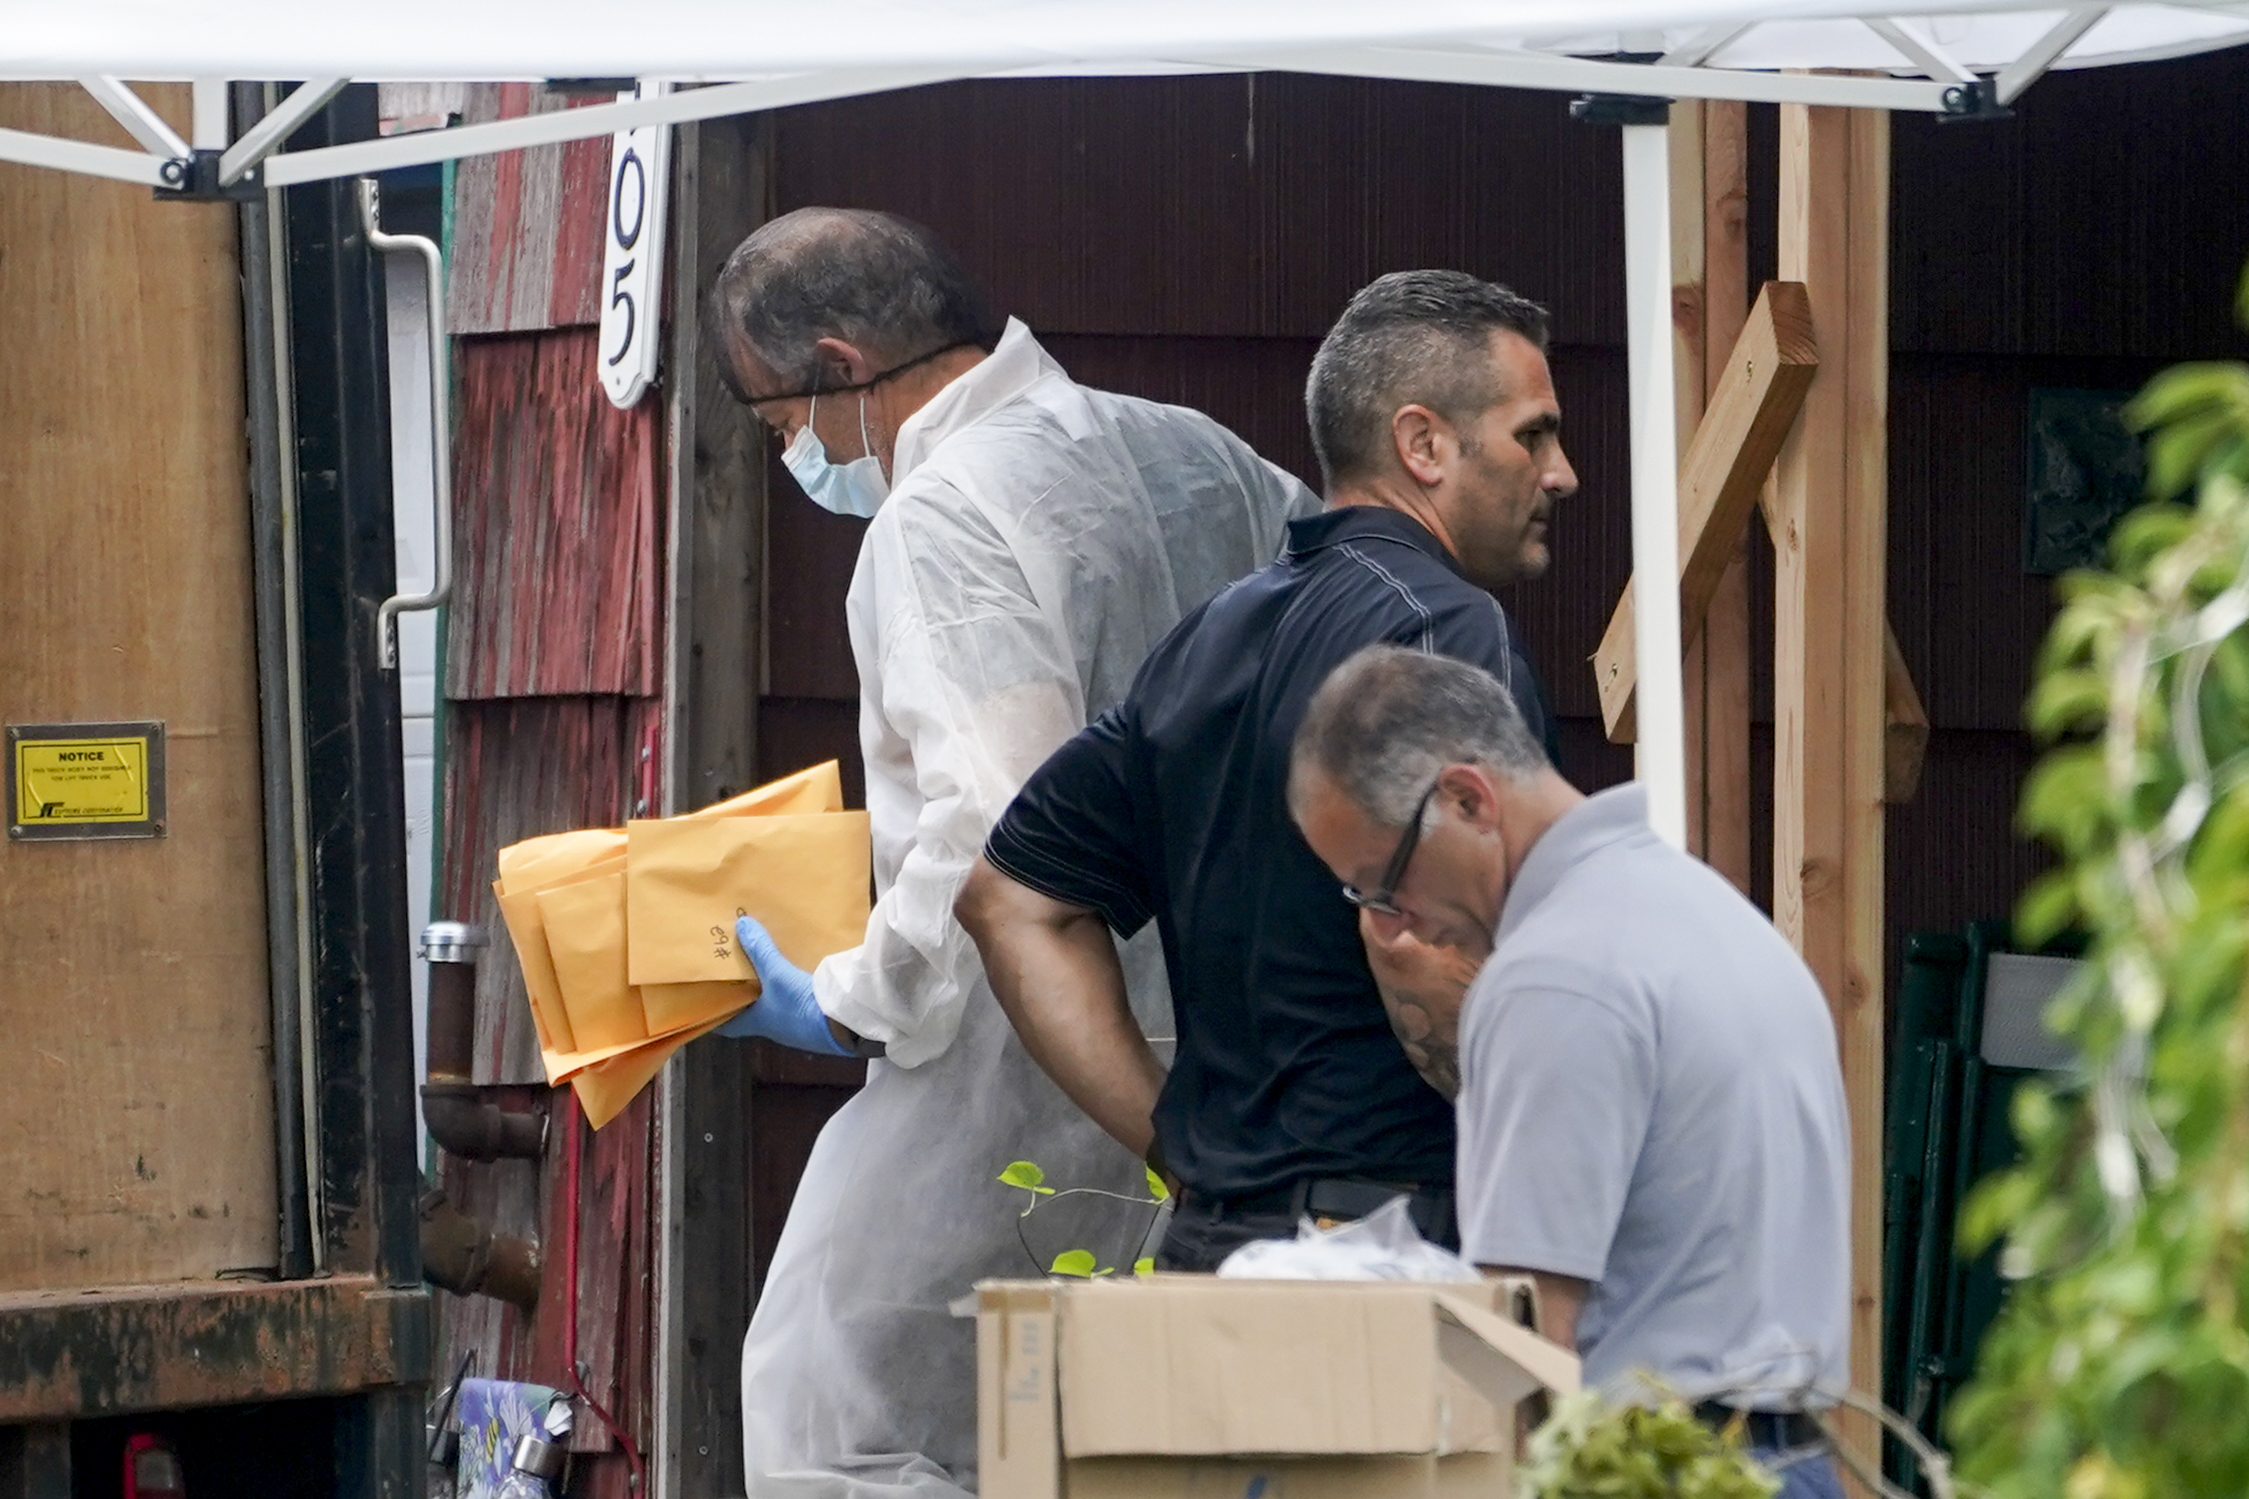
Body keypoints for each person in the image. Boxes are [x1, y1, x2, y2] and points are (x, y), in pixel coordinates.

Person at [703, 207, 1314, 1498]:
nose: (797, 460)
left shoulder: (935, 517)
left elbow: (997, 822)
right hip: (1223, 1045)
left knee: (835, 1415)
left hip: (1009, 1052)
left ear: (836, 361)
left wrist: (852, 995)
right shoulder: (1193, 451)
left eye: (780, 428)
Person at [955, 270, 1577, 1271]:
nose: (1560, 474)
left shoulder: (1206, 638)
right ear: (1423, 445)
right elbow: (1456, 954)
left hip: (1220, 1247)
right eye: (1531, 434)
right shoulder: (1447, 634)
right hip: (1399, 1250)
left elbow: (1008, 897)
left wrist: (1176, 1144)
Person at [1287, 645, 1852, 1499]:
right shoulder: (1708, 914)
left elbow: (1527, 1348)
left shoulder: (1553, 974)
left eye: (1385, 882)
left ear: (1467, 798)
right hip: (1787, 1457)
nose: (1394, 927)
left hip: (1650, 1469)